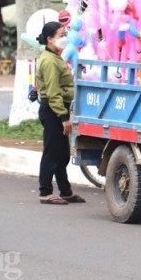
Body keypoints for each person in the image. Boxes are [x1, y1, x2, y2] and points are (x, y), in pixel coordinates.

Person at [35, 21, 85, 205]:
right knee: (51, 153)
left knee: (62, 154)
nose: (64, 38)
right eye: (61, 35)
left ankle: (65, 191)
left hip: (57, 109)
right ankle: (45, 192)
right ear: (50, 39)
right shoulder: (49, 61)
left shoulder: (54, 57)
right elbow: (53, 92)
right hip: (53, 111)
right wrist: (64, 118)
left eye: (65, 35)